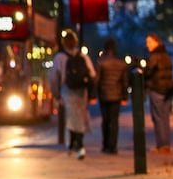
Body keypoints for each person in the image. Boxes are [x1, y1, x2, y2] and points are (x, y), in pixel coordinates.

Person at [50, 29, 96, 160]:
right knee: (80, 116)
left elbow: (53, 77)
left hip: (67, 90)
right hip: (82, 90)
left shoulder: (60, 57)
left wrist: (56, 94)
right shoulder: (83, 57)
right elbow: (92, 74)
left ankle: (74, 144)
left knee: (70, 117)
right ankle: (78, 143)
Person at [95, 38, 129, 154]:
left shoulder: (101, 62)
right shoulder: (121, 64)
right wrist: (125, 97)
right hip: (117, 95)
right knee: (114, 121)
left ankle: (105, 144)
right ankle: (113, 146)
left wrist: (94, 94)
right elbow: (124, 82)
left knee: (105, 120)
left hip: (104, 94)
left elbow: (97, 80)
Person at [143, 33, 173, 154]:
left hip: (157, 89)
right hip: (168, 90)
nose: (147, 45)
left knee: (158, 118)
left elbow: (148, 72)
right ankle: (166, 144)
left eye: (149, 42)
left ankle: (161, 145)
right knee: (165, 117)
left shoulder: (154, 57)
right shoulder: (166, 56)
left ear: (156, 42)